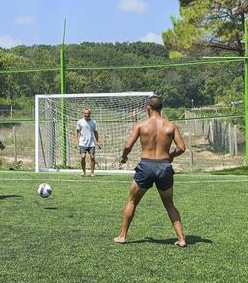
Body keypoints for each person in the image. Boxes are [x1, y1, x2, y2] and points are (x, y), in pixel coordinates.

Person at [113, 96, 187, 247]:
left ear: (148, 108)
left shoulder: (142, 125)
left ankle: (122, 236)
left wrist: (124, 157)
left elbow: (128, 146)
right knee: (169, 204)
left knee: (132, 201)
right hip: (164, 167)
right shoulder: (170, 126)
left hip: (146, 167)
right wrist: (170, 156)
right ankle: (181, 239)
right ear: (161, 108)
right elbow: (182, 148)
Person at [75, 108, 100, 176]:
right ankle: (83, 171)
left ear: (90, 114)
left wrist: (98, 142)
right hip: (82, 142)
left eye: (88, 113)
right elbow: (77, 132)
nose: (87, 114)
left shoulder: (93, 122)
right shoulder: (80, 122)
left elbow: (95, 132)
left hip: (91, 143)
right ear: (83, 114)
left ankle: (92, 172)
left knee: (92, 157)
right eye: (85, 113)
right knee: (83, 157)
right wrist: (76, 141)